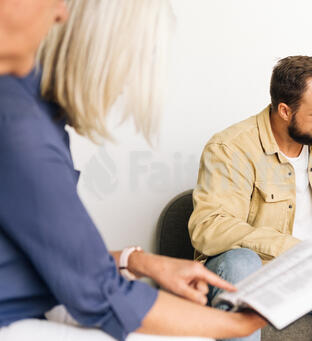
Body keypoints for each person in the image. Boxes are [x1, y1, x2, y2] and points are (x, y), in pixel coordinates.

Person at [0, 1, 265, 340]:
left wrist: (138, 261)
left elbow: (61, 256)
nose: (59, 12)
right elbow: (98, 293)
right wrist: (236, 324)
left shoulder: (40, 122)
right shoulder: (21, 127)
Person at [188, 55, 312, 341]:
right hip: (254, 276)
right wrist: (289, 248)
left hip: (307, 278)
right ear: (284, 110)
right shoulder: (230, 149)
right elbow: (207, 228)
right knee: (240, 261)